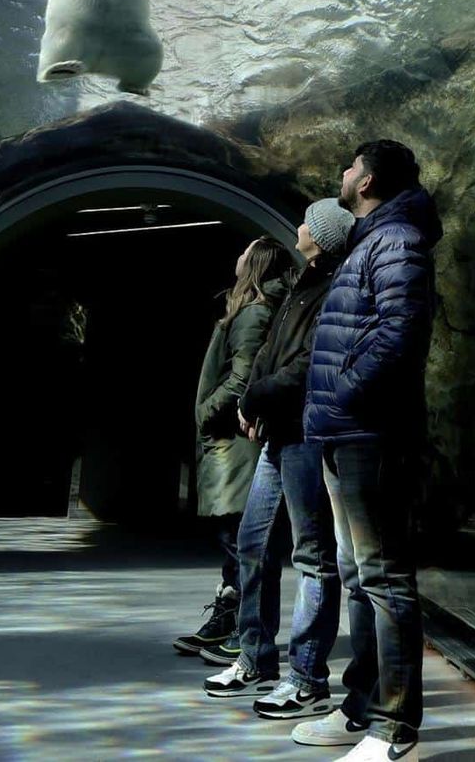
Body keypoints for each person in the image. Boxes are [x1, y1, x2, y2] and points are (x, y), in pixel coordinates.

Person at [294, 141, 442, 762]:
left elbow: (399, 330)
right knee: (359, 574)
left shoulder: (398, 239)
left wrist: (347, 392)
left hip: (368, 433)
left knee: (384, 579)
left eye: (350, 168)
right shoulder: (371, 240)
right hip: (342, 430)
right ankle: (361, 707)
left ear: (370, 178)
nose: (343, 177)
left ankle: (394, 727)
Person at [202, 197, 355, 716]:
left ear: (322, 235)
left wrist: (257, 396)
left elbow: (313, 363)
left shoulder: (333, 287)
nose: (297, 227)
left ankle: (309, 677)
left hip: (306, 434)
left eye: (307, 222)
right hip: (277, 431)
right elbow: (271, 354)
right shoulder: (304, 283)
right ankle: (254, 656)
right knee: (252, 544)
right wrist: (253, 399)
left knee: (312, 556)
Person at [173, 235, 289, 658]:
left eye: (245, 251)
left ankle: (246, 631)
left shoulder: (253, 312)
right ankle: (229, 620)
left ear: (255, 262)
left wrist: (206, 411)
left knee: (240, 539)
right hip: (232, 443)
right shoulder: (253, 309)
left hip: (234, 445)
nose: (237, 256)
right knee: (238, 539)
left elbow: (242, 379)